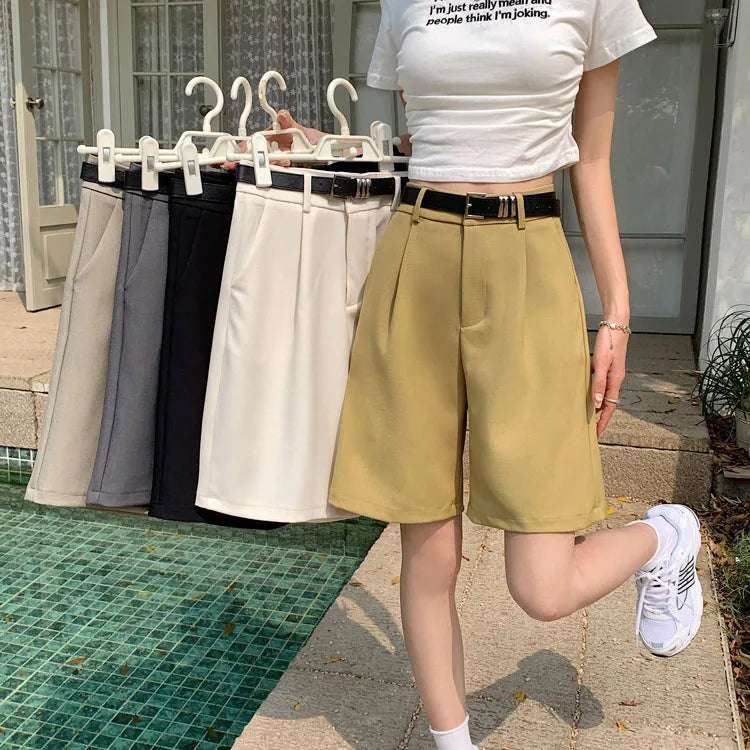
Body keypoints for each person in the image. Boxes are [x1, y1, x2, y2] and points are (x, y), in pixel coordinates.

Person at [261, 2, 704, 748]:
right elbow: (425, 136)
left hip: (529, 260)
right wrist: (320, 147)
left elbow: (592, 163)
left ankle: (663, 538)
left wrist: (617, 315)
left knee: (542, 587)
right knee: (428, 553)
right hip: (417, 259)